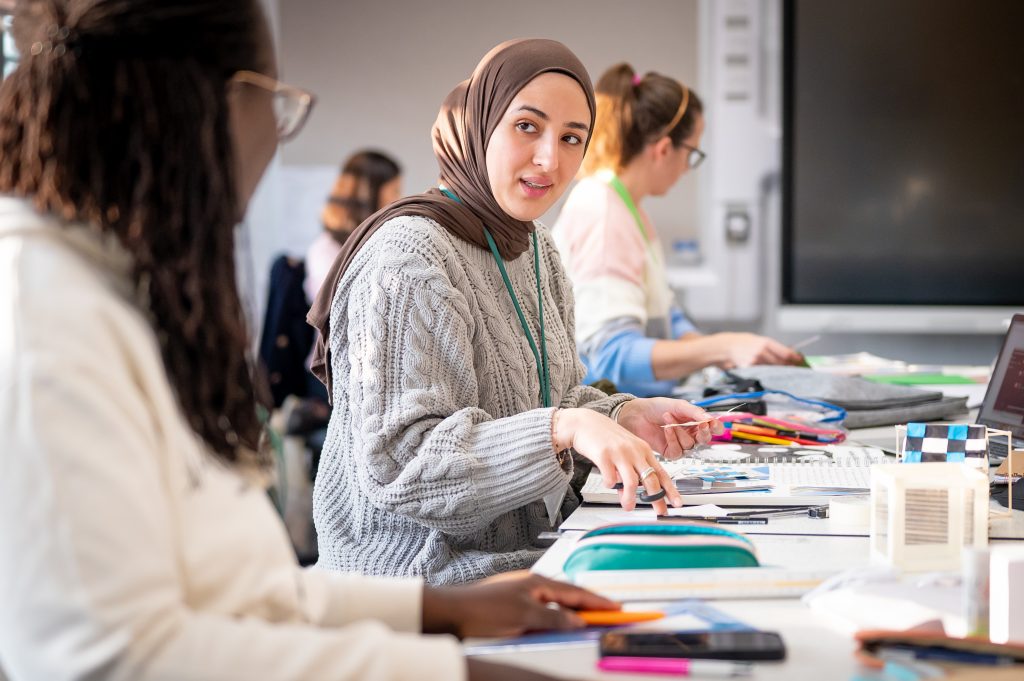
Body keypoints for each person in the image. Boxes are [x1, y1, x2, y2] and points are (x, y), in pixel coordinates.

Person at [0, 3, 620, 680]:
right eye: (277, 105)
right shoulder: (41, 308)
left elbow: (245, 588)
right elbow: (121, 655)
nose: (276, 135)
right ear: (209, 103)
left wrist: (443, 611)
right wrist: (454, 667)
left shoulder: (114, 286)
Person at [309, 39, 720, 586]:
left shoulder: (536, 248)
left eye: (572, 138)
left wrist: (619, 416)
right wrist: (565, 428)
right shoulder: (406, 258)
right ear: (480, 125)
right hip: (416, 587)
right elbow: (403, 468)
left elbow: (555, 400)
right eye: (527, 126)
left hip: (525, 558)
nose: (551, 159)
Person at [552, 63, 804, 398]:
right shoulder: (603, 212)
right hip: (604, 409)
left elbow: (669, 317)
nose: (688, 168)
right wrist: (721, 348)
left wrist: (725, 351)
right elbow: (612, 356)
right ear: (664, 149)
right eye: (692, 153)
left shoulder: (630, 208)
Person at [304, 150, 402, 302]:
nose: (399, 199)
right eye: (395, 191)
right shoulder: (325, 251)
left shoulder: (383, 241)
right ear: (370, 194)